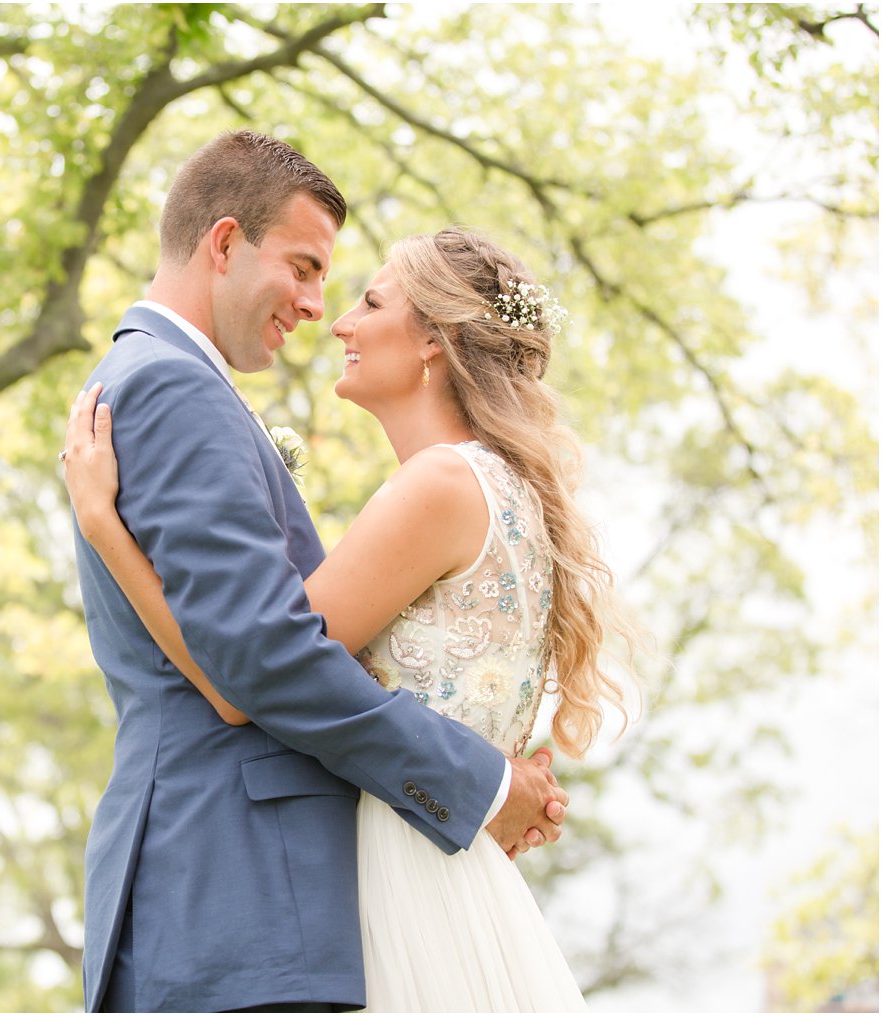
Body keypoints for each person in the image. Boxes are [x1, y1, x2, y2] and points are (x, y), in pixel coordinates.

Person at [62, 130, 573, 1014]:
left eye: (346, 288)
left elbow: (254, 659)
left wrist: (109, 529)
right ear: (224, 243)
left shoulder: (439, 481)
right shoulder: (175, 387)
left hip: (303, 895)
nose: (320, 307)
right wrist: (481, 781)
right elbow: (258, 663)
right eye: (303, 267)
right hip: (234, 887)